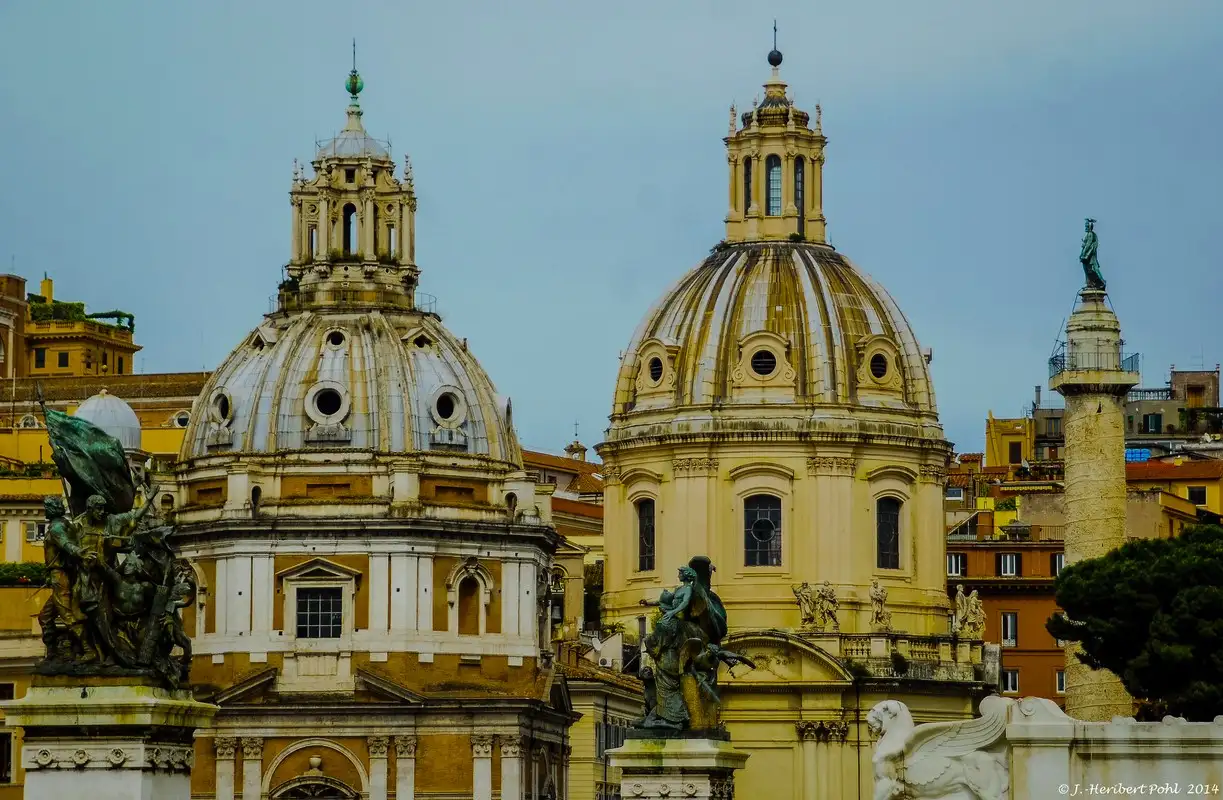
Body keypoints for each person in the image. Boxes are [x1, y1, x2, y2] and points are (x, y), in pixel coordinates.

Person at [36, 496, 96, 662]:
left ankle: (88, 649)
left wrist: (79, 552)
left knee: (68, 616)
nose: (45, 510)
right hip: (62, 574)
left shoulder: (56, 528)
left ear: (52, 509)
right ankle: (54, 653)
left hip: (60, 576)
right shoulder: (66, 524)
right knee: (45, 617)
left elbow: (66, 545)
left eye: (46, 507)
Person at [1079, 218, 1106, 290]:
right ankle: (1089, 283)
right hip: (1086, 255)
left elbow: (1088, 245)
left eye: (1087, 226)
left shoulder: (1090, 234)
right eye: (1085, 226)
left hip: (1090, 256)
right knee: (1087, 269)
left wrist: (1083, 253)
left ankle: (1102, 282)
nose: (1086, 227)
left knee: (1094, 268)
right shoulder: (1088, 234)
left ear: (1090, 227)